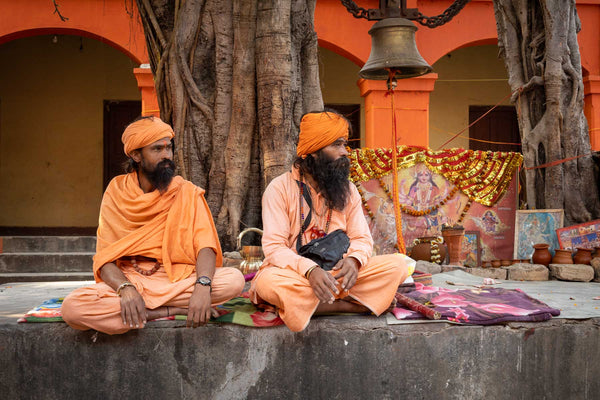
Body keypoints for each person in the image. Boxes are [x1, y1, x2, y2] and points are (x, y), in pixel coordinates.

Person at [62, 116, 245, 335]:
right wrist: (126, 289)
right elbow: (105, 259)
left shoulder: (186, 192)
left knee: (233, 281)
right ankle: (170, 310)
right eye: (157, 149)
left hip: (177, 279)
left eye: (168, 148)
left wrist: (202, 286)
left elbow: (205, 246)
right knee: (73, 308)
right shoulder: (116, 191)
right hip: (132, 279)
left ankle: (142, 311)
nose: (167, 156)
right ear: (136, 155)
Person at [249, 110, 411, 332]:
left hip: (339, 275)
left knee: (398, 266)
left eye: (345, 145)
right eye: (337, 145)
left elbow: (362, 238)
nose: (345, 152)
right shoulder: (279, 188)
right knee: (269, 282)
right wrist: (310, 270)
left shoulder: (349, 190)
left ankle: (309, 305)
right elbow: (274, 248)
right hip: (297, 275)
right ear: (314, 152)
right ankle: (351, 306)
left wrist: (354, 260)